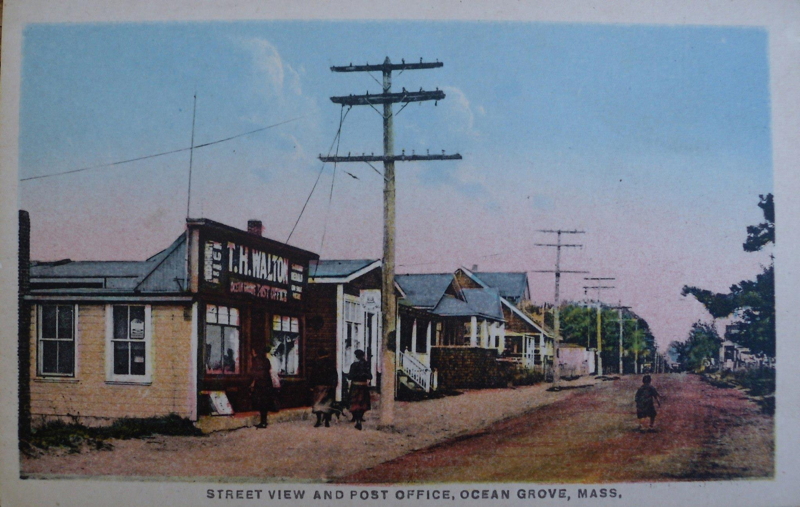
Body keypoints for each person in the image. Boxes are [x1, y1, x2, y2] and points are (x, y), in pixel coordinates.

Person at [250, 346, 280, 429]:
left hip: (260, 383)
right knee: (265, 402)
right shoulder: (266, 360)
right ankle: (264, 421)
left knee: (261, 402)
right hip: (267, 383)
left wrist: (253, 382)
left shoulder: (256, 360)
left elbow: (256, 373)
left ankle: (263, 422)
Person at [310, 348, 338, 428]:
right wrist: (334, 385)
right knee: (327, 404)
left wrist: (311, 385)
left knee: (317, 403)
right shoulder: (331, 363)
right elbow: (334, 375)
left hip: (318, 386)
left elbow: (313, 375)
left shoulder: (316, 363)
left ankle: (318, 420)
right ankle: (326, 421)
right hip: (328, 386)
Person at [347, 349, 372, 430]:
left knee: (354, 401)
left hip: (355, 385)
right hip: (363, 386)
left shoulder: (353, 365)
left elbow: (350, 376)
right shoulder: (366, 365)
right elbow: (370, 376)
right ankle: (360, 417)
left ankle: (355, 418)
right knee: (363, 402)